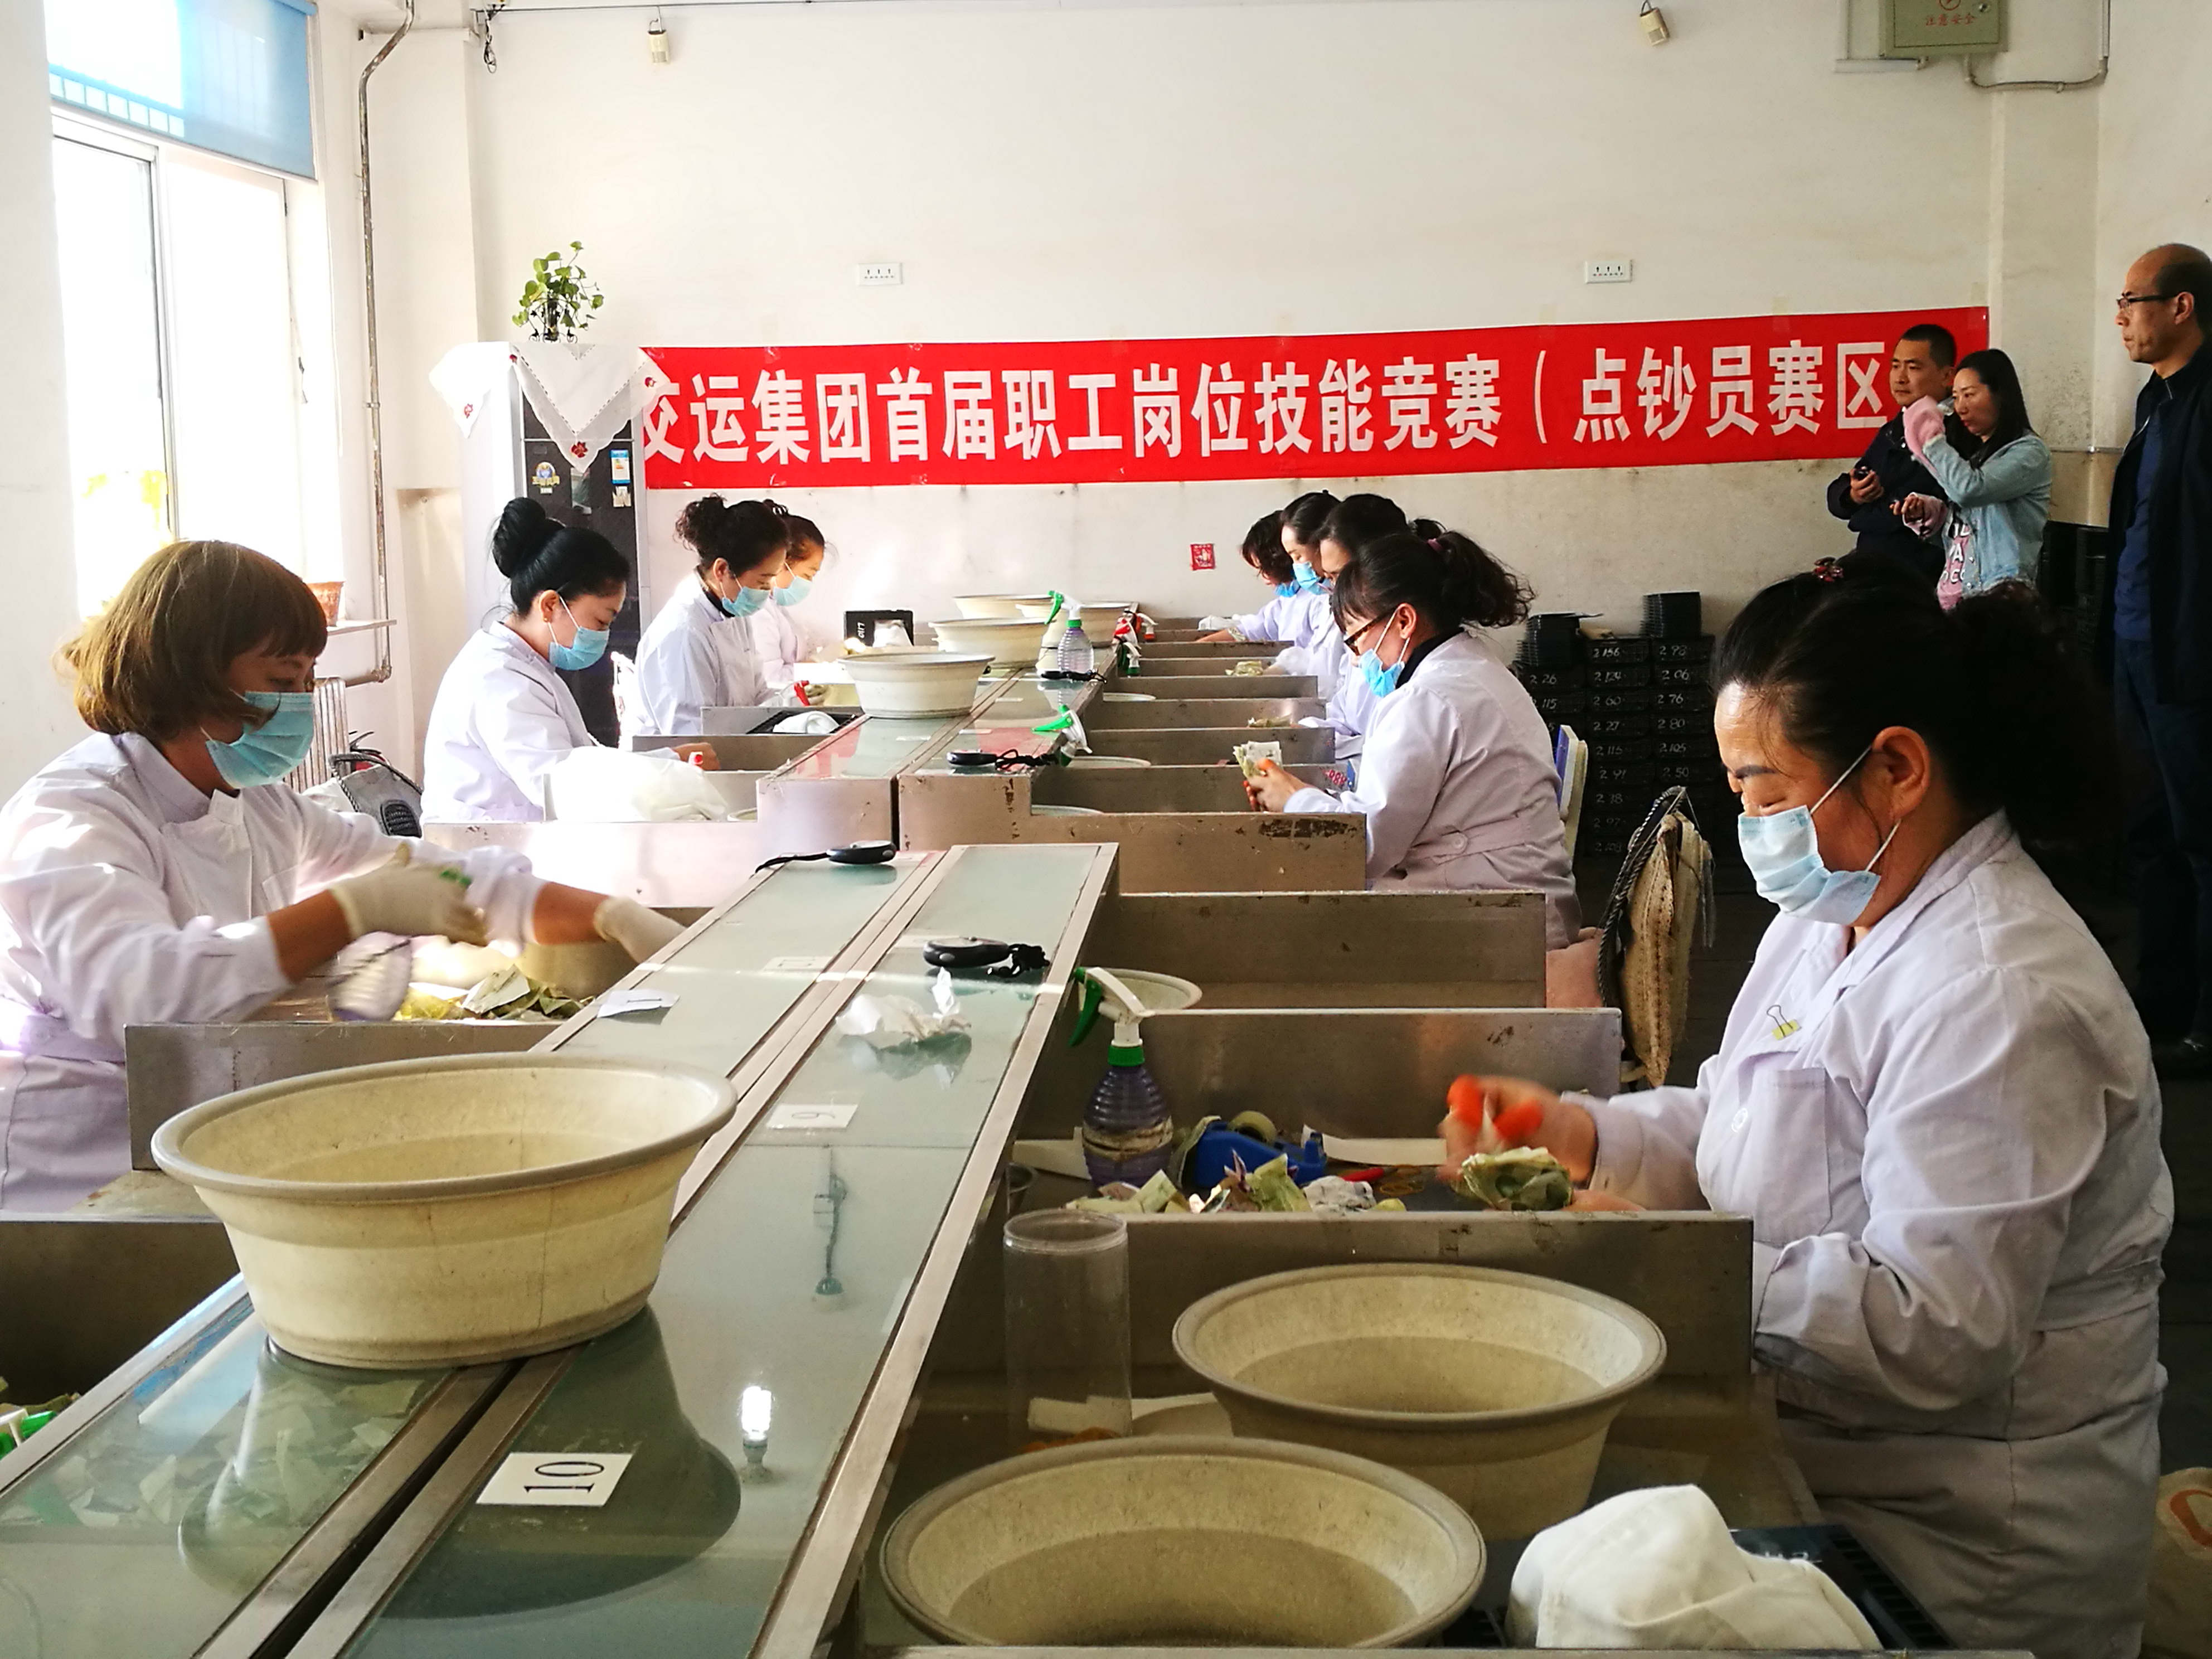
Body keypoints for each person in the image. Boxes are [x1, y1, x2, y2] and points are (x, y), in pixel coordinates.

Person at [1445, 563, 2170, 1659]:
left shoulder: (1998, 993)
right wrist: (1582, 1135)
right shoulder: (1833, 911)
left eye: (1767, 792)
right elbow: (1744, 1110)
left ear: (1895, 769)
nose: (1749, 823)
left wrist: (1668, 1263)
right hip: (1816, 1440)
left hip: (1959, 1539)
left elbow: (1936, 1327)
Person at [0, 540, 685, 1212]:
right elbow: (138, 994)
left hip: (190, 1121)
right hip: (77, 1166)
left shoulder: (258, 804)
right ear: (189, 676)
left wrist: (608, 917)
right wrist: (349, 911)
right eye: (281, 682)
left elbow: (432, 876)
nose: (301, 702)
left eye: (308, 680)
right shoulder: (75, 815)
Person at [1242, 528, 1579, 945]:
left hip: (1498, 919)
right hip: (1512, 895)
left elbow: (1365, 846)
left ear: (1404, 620)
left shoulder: (1427, 698)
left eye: (1357, 640)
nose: (1357, 659)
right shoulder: (1471, 664)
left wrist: (1294, 799)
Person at [423, 500, 712, 821]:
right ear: (550, 605)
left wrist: (668, 762)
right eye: (600, 622)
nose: (603, 635)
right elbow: (563, 783)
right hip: (489, 846)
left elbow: (582, 761)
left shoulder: (530, 667)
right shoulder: (498, 679)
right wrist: (671, 765)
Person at [2103, 242, 2212, 1071]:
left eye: (2131, 301)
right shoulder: (2154, 401)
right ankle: (2163, 997)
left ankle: (2207, 1022)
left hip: (2190, 658)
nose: (2120, 319)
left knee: (2201, 837)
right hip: (2136, 649)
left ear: (2181, 306)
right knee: (2148, 832)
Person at [1902, 347, 2052, 607]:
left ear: (2000, 395)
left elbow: (1969, 491)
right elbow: (1965, 535)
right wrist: (1930, 515)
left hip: (1998, 601)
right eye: (1955, 397)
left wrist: (1931, 440)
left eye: (1969, 395)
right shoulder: (1978, 457)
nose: (1960, 407)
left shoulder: (2029, 452)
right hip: (1958, 601)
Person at [634, 494, 788, 731]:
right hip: (687, 752)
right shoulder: (684, 633)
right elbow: (691, 734)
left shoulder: (732, 612)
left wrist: (792, 704)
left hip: (729, 743)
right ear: (722, 570)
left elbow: (757, 695)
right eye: (763, 582)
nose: (768, 592)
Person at [1824, 324, 1956, 581]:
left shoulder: (1954, 433)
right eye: (1896, 366)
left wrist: (1864, 515)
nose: (1900, 378)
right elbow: (1841, 493)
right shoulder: (1895, 429)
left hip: (1922, 576)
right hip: (1874, 569)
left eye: (1913, 368)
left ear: (1946, 376)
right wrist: (1854, 495)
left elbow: (1910, 507)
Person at [749, 509, 832, 697]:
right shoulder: (758, 611)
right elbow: (772, 679)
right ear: (783, 562)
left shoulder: (774, 606)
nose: (808, 583)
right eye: (808, 575)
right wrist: (821, 666)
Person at [1197, 512, 1299, 644]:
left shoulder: (1316, 599)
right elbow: (1249, 630)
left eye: (1265, 570)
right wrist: (1198, 646)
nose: (1266, 581)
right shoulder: (1286, 602)